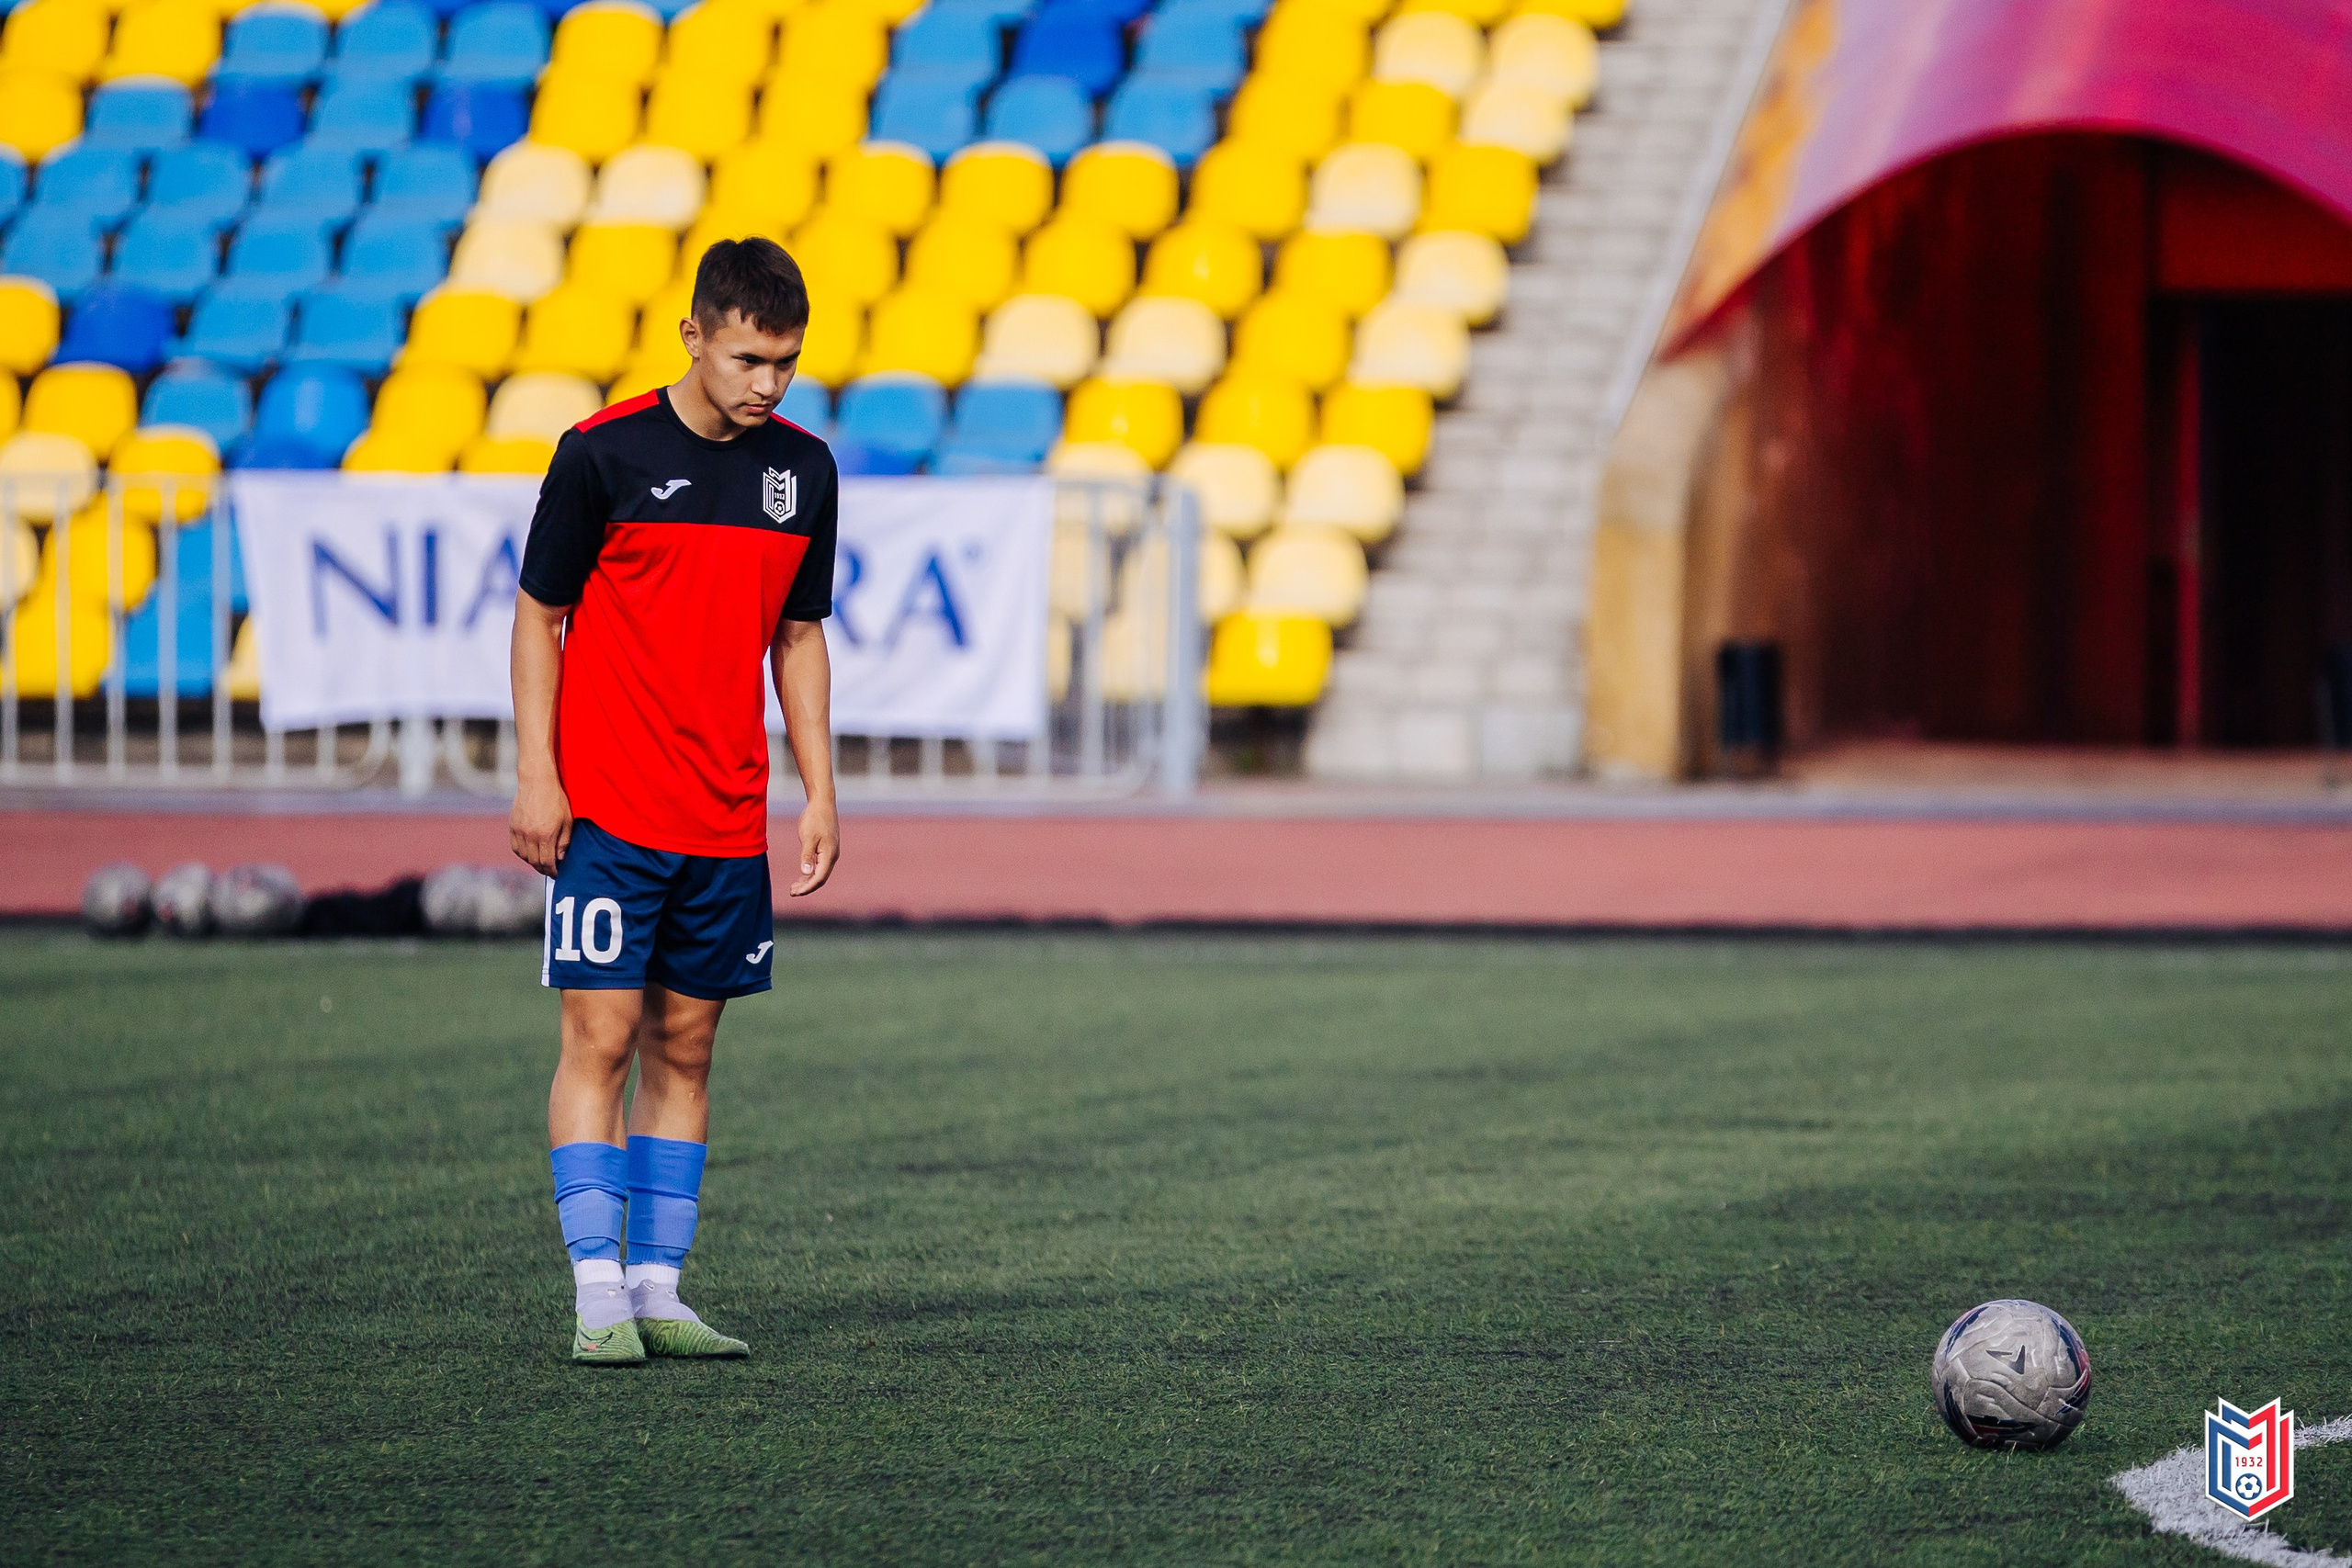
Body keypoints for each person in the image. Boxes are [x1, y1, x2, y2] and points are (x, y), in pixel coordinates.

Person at [509, 237, 840, 1365]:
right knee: (600, 1035)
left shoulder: (804, 472)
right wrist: (536, 773)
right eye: (749, 358)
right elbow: (537, 616)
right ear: (694, 335)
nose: (768, 384)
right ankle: (597, 1289)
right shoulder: (601, 454)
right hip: (606, 807)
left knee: (687, 1050)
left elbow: (798, 637)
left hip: (725, 817)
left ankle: (660, 1289)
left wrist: (820, 791)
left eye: (785, 363)